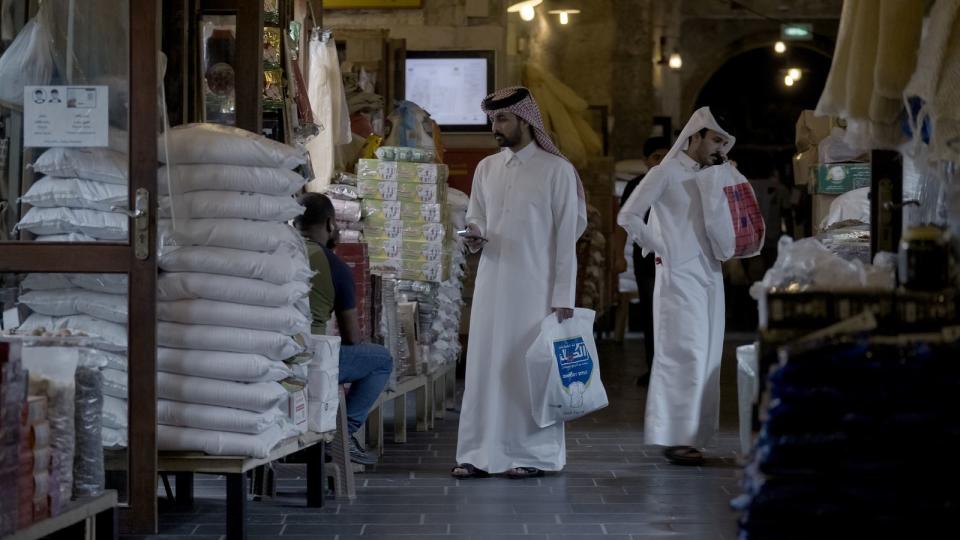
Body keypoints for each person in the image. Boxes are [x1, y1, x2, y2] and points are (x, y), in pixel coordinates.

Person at [452, 86, 586, 479]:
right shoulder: (487, 169)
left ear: (525, 120)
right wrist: (474, 233)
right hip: (493, 285)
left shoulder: (557, 170)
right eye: (492, 119)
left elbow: (568, 236)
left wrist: (563, 294)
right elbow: (476, 215)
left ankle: (534, 454)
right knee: (486, 368)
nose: (495, 127)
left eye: (503, 119)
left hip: (537, 289)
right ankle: (478, 453)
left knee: (530, 372)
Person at [616, 107, 735, 466]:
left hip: (711, 274)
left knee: (709, 356)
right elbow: (629, 215)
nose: (719, 148)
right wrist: (659, 247)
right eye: (715, 140)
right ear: (695, 136)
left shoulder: (717, 175)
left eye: (724, 142)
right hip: (678, 277)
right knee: (685, 354)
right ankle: (676, 437)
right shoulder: (664, 172)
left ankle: (694, 437)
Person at [295, 193, 393, 466]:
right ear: (330, 224)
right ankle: (343, 433)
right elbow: (351, 337)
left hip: (271, 354)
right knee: (380, 359)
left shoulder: (275, 252)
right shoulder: (333, 265)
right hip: (309, 356)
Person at [618, 137, 670, 386]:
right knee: (652, 316)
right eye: (656, 157)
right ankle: (655, 369)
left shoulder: (677, 184)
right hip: (647, 263)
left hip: (675, 261)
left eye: (665, 156)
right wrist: (619, 255)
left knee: (674, 315)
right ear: (645, 161)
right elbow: (622, 223)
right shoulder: (636, 186)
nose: (661, 162)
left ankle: (673, 371)